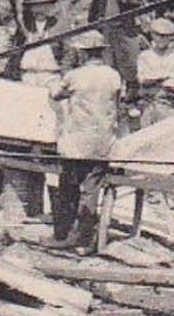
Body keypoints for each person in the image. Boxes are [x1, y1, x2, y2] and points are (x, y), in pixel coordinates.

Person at [47, 30, 124, 255]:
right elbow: (118, 103)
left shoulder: (75, 76)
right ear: (101, 52)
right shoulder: (113, 76)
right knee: (91, 191)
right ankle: (83, 240)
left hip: (76, 144)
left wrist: (52, 83)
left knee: (68, 189)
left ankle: (62, 235)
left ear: (82, 54)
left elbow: (55, 94)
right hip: (102, 144)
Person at [88, 0, 144, 100]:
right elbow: (93, 9)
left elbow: (139, 4)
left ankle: (132, 95)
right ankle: (111, 96)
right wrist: (95, 23)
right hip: (106, 30)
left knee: (129, 62)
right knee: (108, 62)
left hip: (125, 29)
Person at [135, 16, 174, 126]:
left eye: (165, 36)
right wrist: (165, 77)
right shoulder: (145, 56)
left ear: (170, 37)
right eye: (158, 35)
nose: (161, 39)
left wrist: (157, 79)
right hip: (148, 106)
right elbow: (143, 80)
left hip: (171, 106)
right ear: (152, 35)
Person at [16, 0, 64, 89]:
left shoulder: (57, 26)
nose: (40, 10)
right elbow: (15, 50)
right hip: (28, 75)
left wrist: (65, 72)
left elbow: (68, 52)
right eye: (36, 6)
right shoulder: (25, 27)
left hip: (50, 75)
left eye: (44, 6)